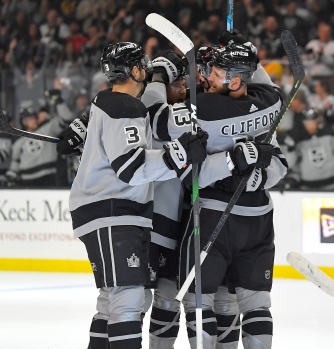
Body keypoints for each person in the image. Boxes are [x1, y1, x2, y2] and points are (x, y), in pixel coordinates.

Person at [144, 42, 287, 349]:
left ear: (235, 80)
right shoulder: (271, 101)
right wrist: (248, 52)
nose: (205, 76)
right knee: (253, 301)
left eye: (215, 71)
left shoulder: (203, 110)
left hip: (211, 211)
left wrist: (158, 76)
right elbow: (279, 158)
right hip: (258, 214)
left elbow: (154, 119)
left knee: (197, 299)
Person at [67, 41, 207, 349]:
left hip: (114, 211)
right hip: (112, 210)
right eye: (142, 63)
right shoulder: (124, 106)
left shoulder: (112, 102)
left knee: (115, 298)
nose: (146, 68)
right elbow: (130, 168)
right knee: (128, 298)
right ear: (133, 70)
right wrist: (178, 154)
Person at [282, 108, 334, 190]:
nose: (310, 125)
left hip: (333, 185)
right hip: (308, 187)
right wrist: (291, 148)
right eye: (307, 122)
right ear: (303, 123)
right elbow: (289, 164)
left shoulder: (329, 135)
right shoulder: (297, 139)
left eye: (313, 121)